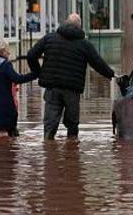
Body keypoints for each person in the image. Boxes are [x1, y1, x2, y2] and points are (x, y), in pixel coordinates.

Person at [26, 13, 116, 141]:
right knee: (72, 124)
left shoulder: (49, 38)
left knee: (50, 123)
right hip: (72, 89)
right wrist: (111, 74)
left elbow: (31, 55)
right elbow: (98, 63)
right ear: (80, 27)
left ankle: (49, 149)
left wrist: (38, 72)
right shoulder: (84, 44)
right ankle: (72, 153)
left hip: (52, 87)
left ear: (65, 23)